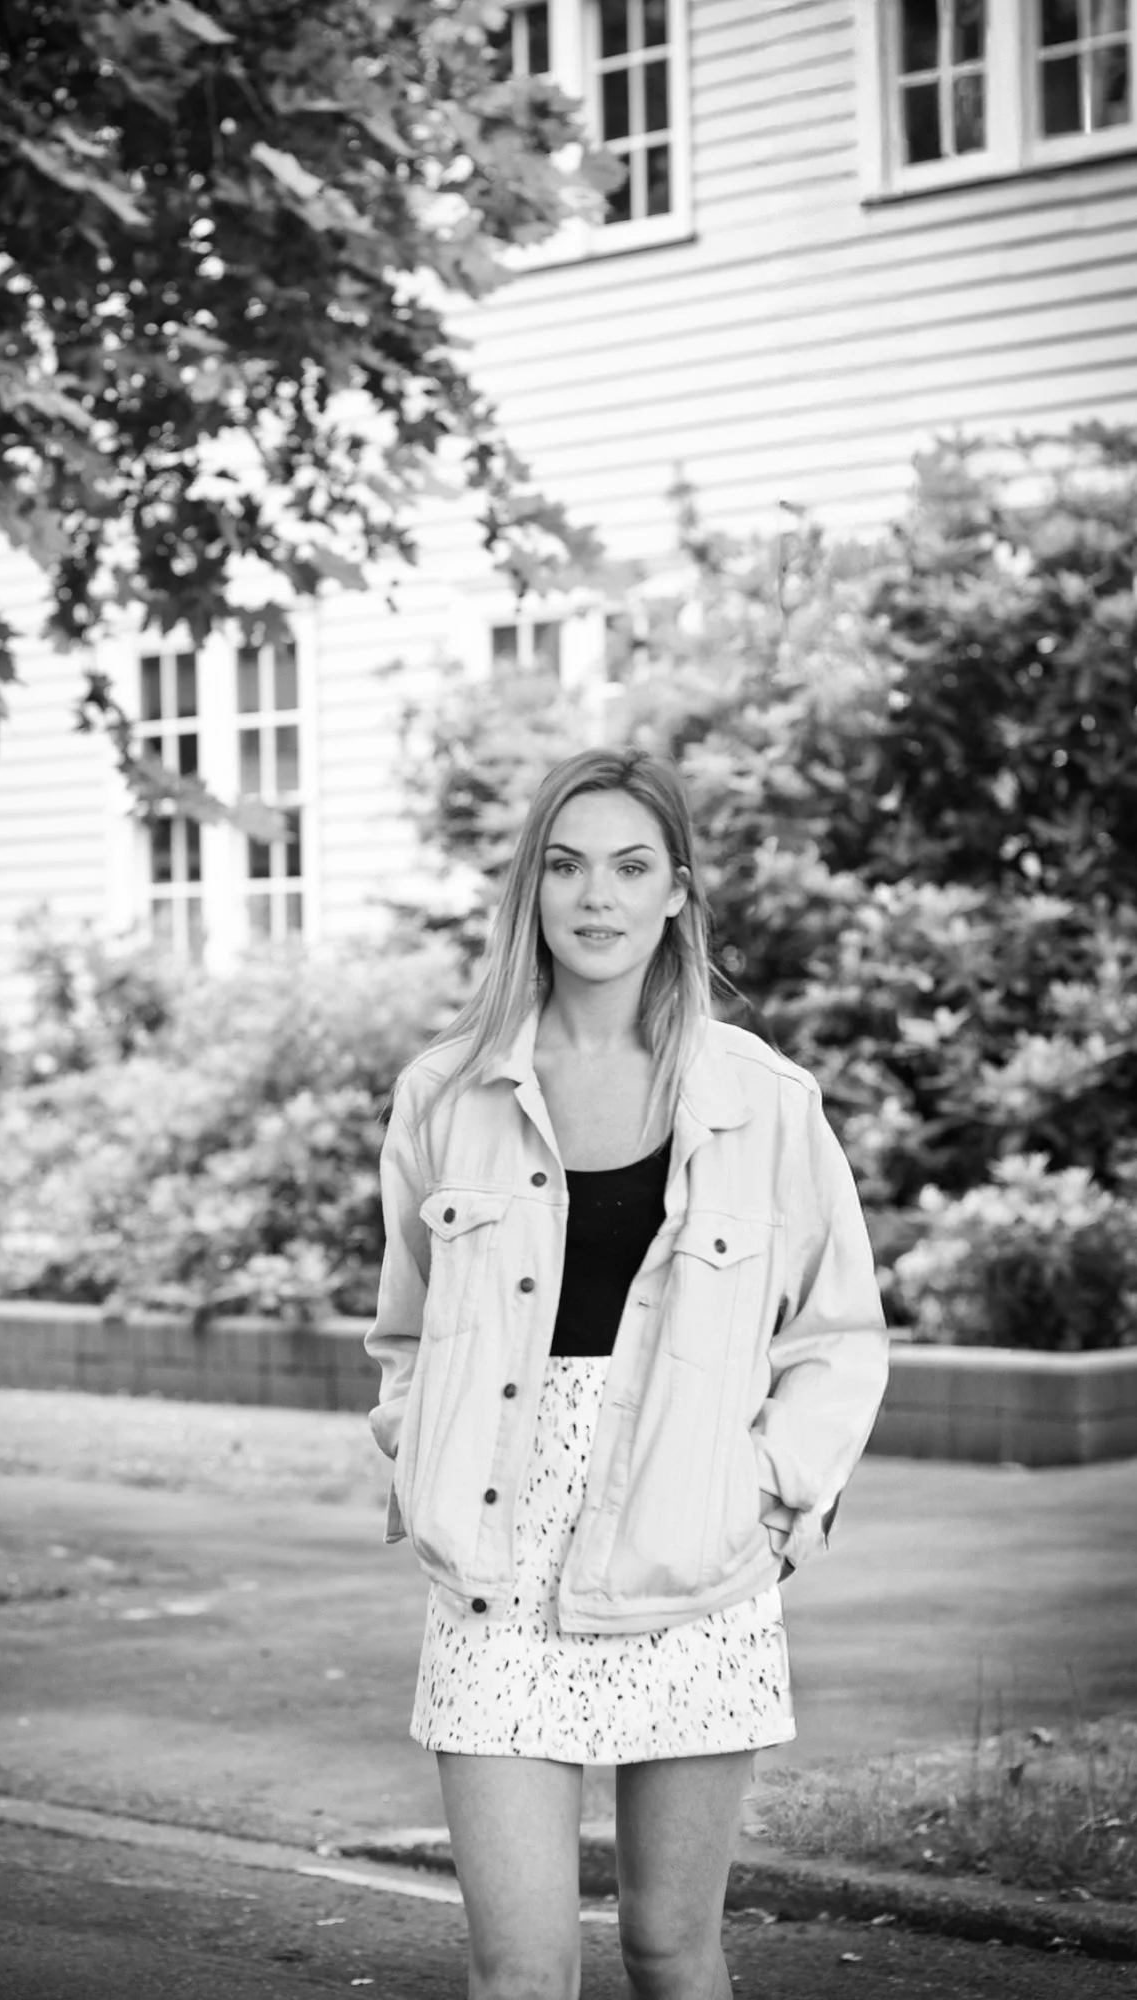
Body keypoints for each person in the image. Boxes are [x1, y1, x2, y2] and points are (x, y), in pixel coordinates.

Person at [365, 747, 889, 2000]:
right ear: (530, 892)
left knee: (670, 1947)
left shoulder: (764, 1098)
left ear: (675, 895)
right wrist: (416, 1446)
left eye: (629, 866)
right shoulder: (445, 1093)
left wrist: (771, 1495)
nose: (595, 897)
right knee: (521, 1968)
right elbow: (403, 1334)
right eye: (564, 864)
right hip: (494, 1556)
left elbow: (836, 1333)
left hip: (691, 1544)